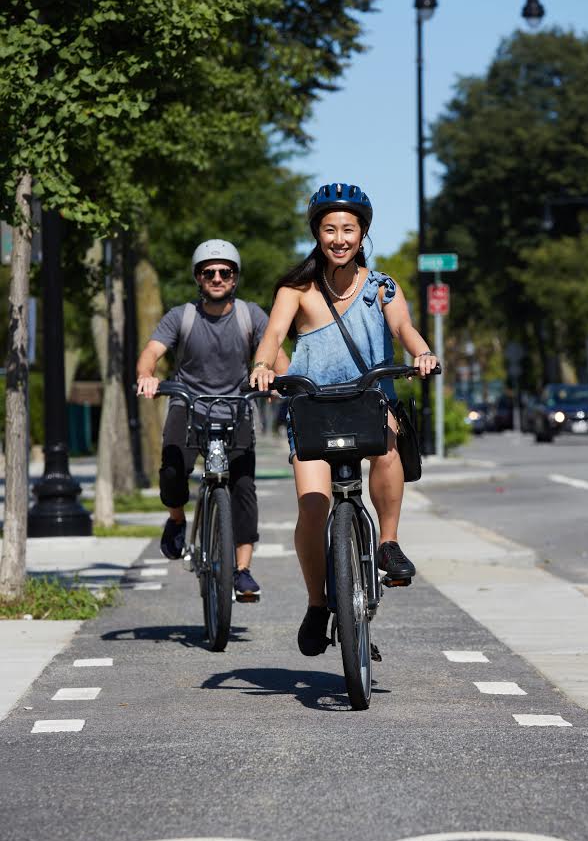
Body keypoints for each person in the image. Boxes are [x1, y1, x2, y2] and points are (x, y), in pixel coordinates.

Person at [250, 182, 438, 654]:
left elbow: (404, 327)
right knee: (313, 507)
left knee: (389, 445)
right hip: (313, 406)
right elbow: (273, 335)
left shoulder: (382, 287)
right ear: (317, 233)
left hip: (368, 402)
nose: (339, 238)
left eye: (348, 229)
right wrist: (262, 366)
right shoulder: (297, 289)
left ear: (362, 234)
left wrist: (422, 353)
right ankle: (317, 604)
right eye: (329, 228)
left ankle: (388, 544)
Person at [137, 238, 289, 599]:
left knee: (243, 487)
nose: (217, 277)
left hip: (236, 409)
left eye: (225, 272)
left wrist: (280, 382)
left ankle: (242, 571)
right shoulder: (181, 317)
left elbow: (276, 354)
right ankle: (176, 521)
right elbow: (151, 353)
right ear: (199, 278)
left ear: (234, 278)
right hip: (188, 406)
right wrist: (147, 375)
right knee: (173, 472)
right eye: (210, 273)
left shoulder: (250, 315)